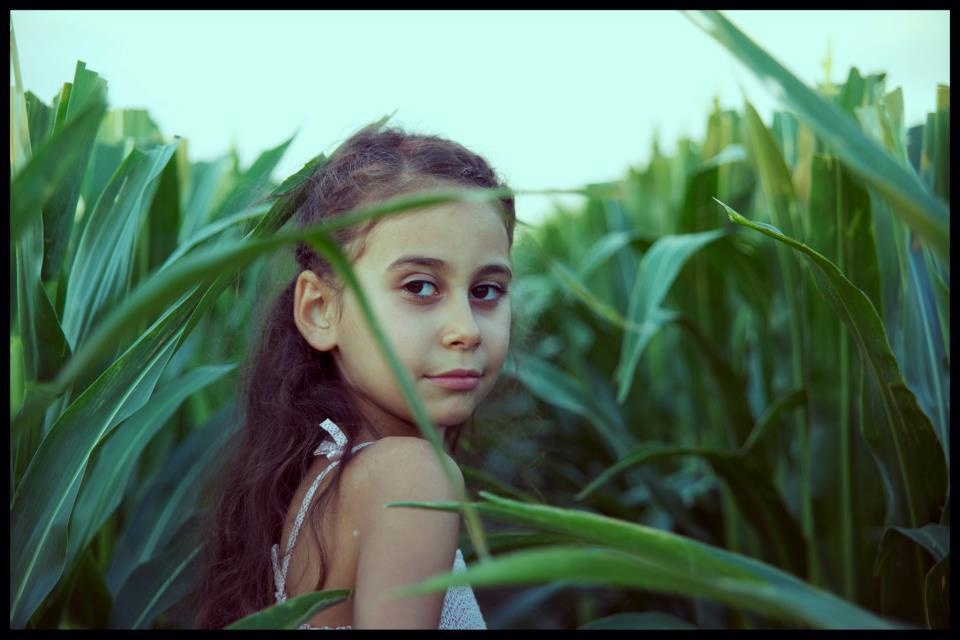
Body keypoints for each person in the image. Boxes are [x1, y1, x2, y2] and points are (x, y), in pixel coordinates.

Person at [194, 124, 515, 629]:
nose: (467, 330)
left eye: (487, 290)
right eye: (420, 286)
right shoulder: (410, 476)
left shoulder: (324, 483)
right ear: (320, 309)